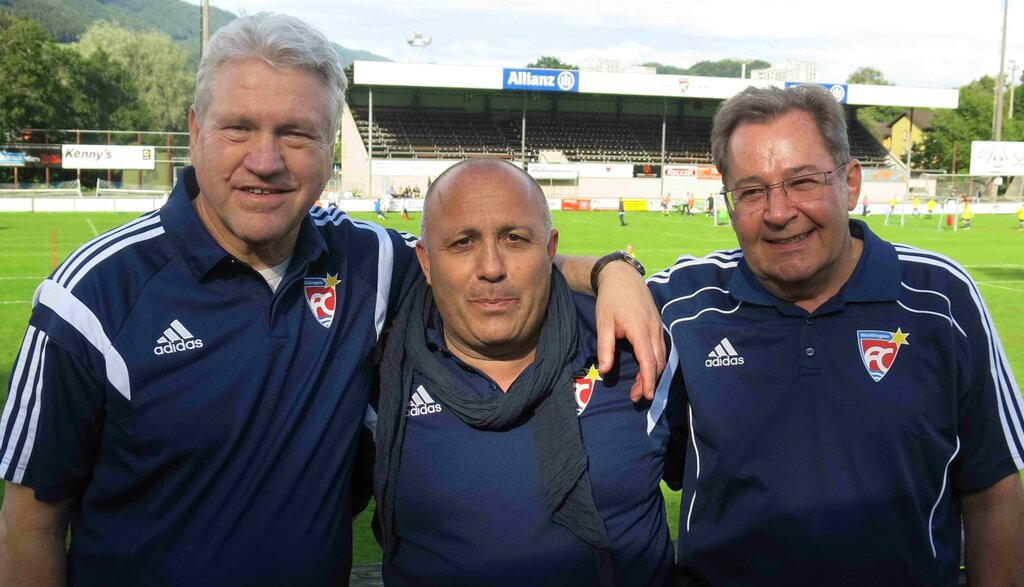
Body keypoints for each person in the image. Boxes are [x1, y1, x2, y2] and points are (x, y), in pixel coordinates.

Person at [0, 13, 665, 586]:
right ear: (196, 129)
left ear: (327, 148)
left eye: (296, 133)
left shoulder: (366, 260)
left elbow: (486, 260)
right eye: (239, 128)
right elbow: (29, 519)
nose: (266, 160)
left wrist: (610, 270)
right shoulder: (92, 293)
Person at [649, 84, 1024, 586]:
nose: (779, 212)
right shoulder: (683, 304)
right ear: (729, 202)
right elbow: (530, 281)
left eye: (802, 182)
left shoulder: (942, 298)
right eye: (752, 191)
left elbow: (994, 488)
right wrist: (606, 271)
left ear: (850, 183)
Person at [374, 159, 673, 586]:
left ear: (550, 250)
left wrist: (614, 269)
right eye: (462, 242)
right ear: (424, 262)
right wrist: (611, 266)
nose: (491, 267)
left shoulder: (636, 347)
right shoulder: (381, 368)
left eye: (515, 239)